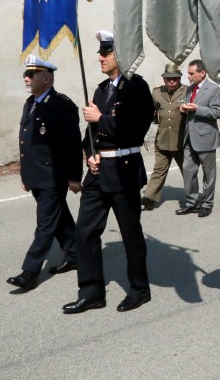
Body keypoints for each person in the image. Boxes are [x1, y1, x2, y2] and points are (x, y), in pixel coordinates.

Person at [63, 31, 154, 314]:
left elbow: (135, 129)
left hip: (124, 171)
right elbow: (89, 134)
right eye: (100, 53)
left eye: (107, 53)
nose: (100, 57)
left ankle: (139, 289)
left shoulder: (137, 88)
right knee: (85, 231)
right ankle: (91, 291)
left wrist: (101, 119)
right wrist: (90, 156)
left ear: (121, 56)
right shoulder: (101, 90)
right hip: (98, 172)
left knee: (130, 233)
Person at [7, 56, 82, 291]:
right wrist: (25, 175)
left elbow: (71, 144)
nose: (26, 78)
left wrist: (73, 177)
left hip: (53, 176)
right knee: (59, 218)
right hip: (36, 175)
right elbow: (27, 144)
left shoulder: (61, 105)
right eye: (26, 75)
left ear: (46, 78)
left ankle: (29, 272)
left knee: (45, 224)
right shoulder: (30, 103)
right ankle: (75, 253)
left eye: (31, 74)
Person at [176, 59, 220, 217]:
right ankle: (192, 203)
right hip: (189, 137)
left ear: (202, 73)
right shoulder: (190, 89)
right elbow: (189, 106)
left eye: (191, 73)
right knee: (188, 171)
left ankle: (207, 204)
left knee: (208, 175)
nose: (188, 76)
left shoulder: (214, 89)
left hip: (206, 138)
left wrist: (198, 109)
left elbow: (218, 112)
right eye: (188, 73)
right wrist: (184, 108)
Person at [142, 63, 186, 211]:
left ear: (179, 79)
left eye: (174, 78)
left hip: (181, 141)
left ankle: (193, 198)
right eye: (168, 79)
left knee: (187, 171)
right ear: (164, 79)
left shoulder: (187, 92)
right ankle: (149, 198)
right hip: (162, 140)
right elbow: (151, 114)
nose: (171, 81)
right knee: (159, 170)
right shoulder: (156, 93)